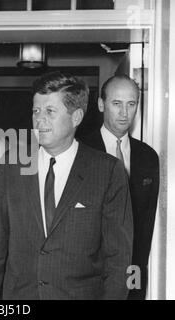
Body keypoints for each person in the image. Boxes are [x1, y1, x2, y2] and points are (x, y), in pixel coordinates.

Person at [0, 71, 133, 300]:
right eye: (36, 111)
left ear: (76, 117)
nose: (40, 119)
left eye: (50, 111)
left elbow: (118, 258)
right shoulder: (12, 166)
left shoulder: (107, 171)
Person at [81, 74, 160, 300]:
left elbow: (146, 224)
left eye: (131, 104)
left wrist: (136, 281)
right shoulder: (80, 150)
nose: (124, 113)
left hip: (129, 271)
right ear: (100, 104)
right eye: (116, 104)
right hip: (85, 275)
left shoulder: (148, 157)